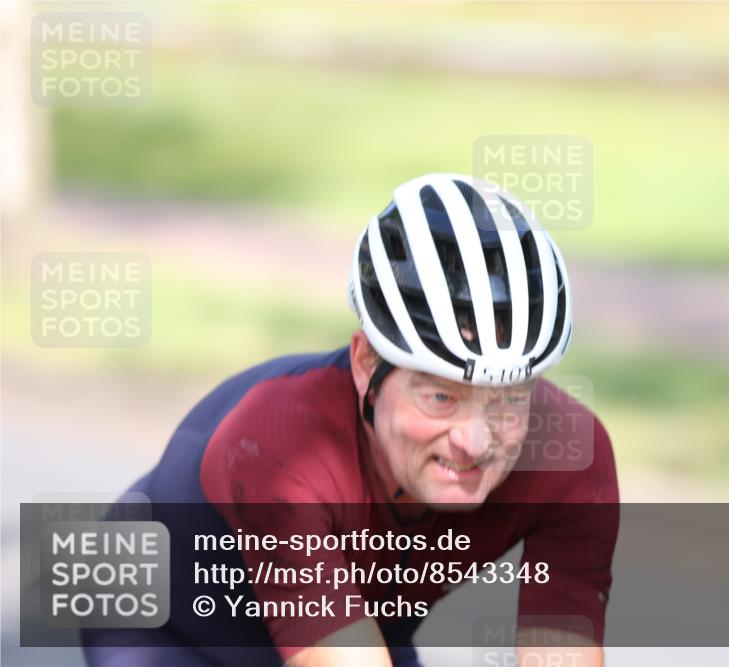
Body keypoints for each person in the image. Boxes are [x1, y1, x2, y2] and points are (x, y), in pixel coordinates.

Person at [81, 173, 619, 667]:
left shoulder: (571, 460)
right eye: (440, 397)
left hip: (356, 622)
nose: (476, 442)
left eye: (509, 398)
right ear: (366, 364)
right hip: (163, 624)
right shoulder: (281, 446)